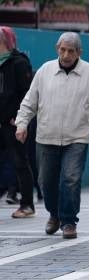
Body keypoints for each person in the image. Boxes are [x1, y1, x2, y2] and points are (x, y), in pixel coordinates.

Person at [15, 33, 89, 239]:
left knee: (70, 179)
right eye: (63, 50)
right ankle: (54, 215)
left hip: (77, 138)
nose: (66, 55)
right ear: (57, 48)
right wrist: (22, 124)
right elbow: (29, 102)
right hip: (46, 137)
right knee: (46, 182)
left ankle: (68, 221)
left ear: (79, 53)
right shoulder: (45, 72)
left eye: (71, 51)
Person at [0, 27, 35, 218]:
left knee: (20, 162)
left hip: (13, 122)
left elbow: (26, 93)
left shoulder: (19, 63)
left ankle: (27, 204)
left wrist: (20, 118)